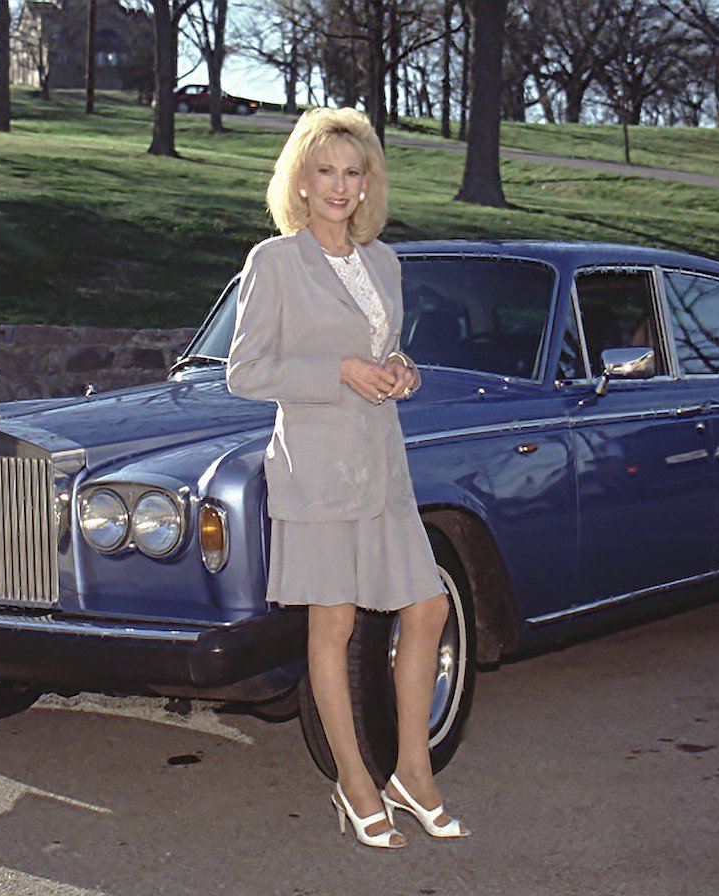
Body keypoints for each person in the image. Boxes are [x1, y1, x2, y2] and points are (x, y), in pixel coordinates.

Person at [225, 107, 469, 849]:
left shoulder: (385, 262)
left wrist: (401, 372)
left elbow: (391, 354)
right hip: (316, 470)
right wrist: (337, 371)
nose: (339, 186)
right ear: (300, 179)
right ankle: (356, 783)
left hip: (383, 467)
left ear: (369, 184)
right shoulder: (274, 261)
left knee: (426, 608)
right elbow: (244, 373)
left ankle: (412, 775)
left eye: (352, 172)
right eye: (325, 170)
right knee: (331, 626)